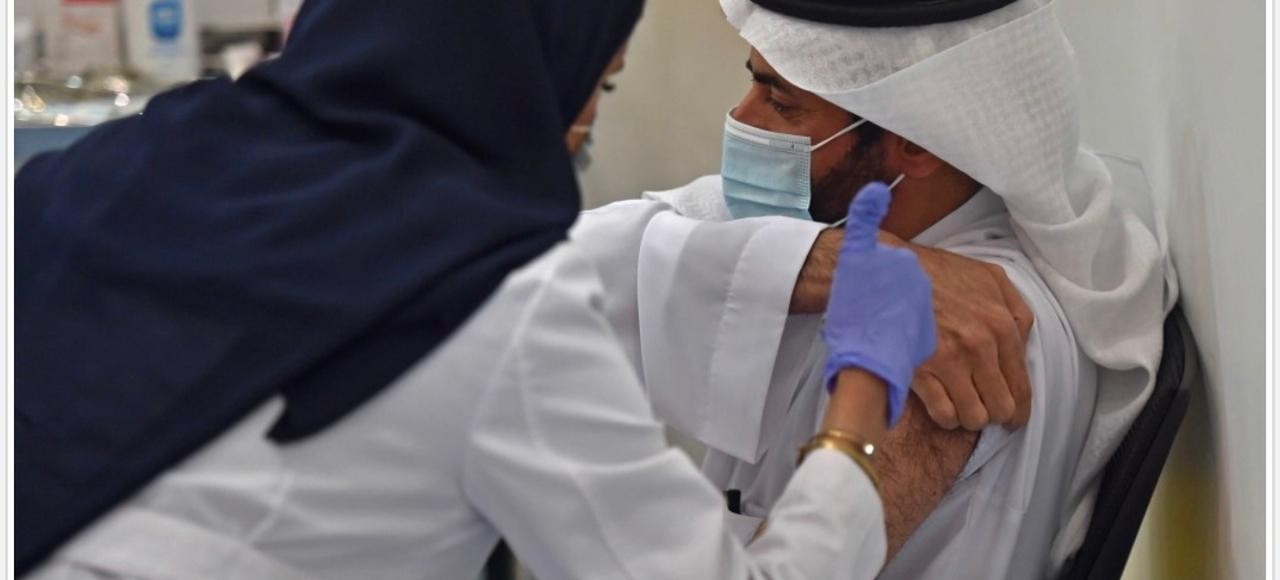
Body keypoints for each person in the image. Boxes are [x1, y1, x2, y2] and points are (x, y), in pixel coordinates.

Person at [16, 1, 944, 579]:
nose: (581, 124)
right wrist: (864, 394)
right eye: (597, 88)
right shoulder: (493, 304)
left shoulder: (104, 172)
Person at [566, 0, 1175, 577]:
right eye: (754, 82)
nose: (743, 119)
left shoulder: (962, 335)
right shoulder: (848, 228)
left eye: (780, 102)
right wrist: (827, 264)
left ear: (915, 140)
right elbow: (548, 263)